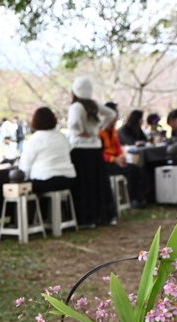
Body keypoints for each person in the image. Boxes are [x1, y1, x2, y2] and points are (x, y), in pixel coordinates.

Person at [67, 76, 117, 228]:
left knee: (84, 185)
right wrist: (99, 128)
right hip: (95, 149)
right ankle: (103, 216)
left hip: (79, 150)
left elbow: (73, 125)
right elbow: (112, 114)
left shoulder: (76, 107)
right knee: (98, 183)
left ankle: (86, 218)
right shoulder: (94, 105)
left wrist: (81, 131)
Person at [17, 106, 76, 195]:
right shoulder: (62, 137)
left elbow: (25, 165)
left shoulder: (35, 139)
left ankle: (41, 209)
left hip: (44, 179)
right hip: (68, 179)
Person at [100, 102, 146, 209]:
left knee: (136, 169)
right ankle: (130, 200)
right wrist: (114, 159)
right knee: (132, 171)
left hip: (116, 161)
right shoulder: (100, 131)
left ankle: (134, 198)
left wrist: (121, 157)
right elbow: (99, 153)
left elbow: (118, 148)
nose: (116, 116)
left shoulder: (113, 131)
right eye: (115, 113)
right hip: (105, 164)